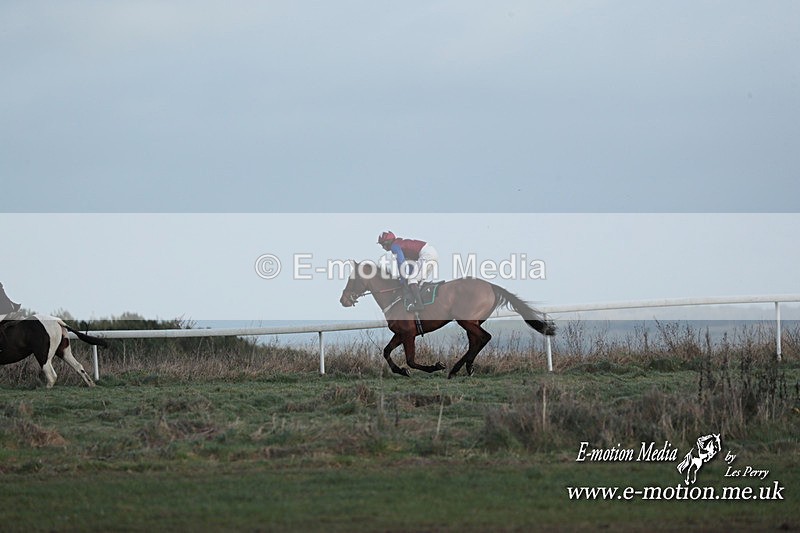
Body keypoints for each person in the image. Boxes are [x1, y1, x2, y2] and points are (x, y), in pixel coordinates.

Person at [377, 231, 438, 312]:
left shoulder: (394, 246)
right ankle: (423, 303)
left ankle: (419, 305)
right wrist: (406, 277)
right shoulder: (400, 244)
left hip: (427, 255)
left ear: (388, 242)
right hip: (431, 253)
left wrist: (403, 280)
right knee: (417, 281)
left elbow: (401, 262)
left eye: (382, 244)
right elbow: (410, 265)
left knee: (412, 281)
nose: (383, 247)